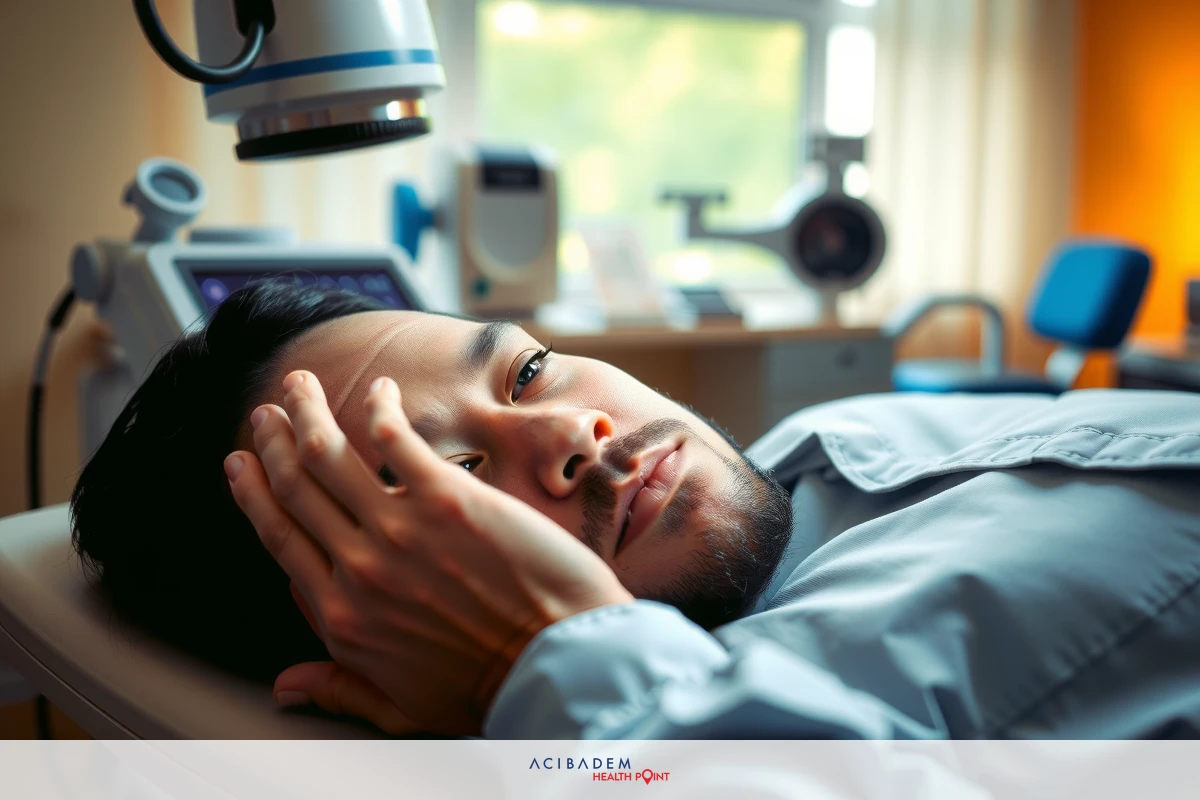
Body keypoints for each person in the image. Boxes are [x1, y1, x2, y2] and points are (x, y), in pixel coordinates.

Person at [72, 282, 1200, 739]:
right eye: (451, 476)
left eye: (526, 371)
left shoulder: (827, 444)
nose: (574, 431)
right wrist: (536, 656)